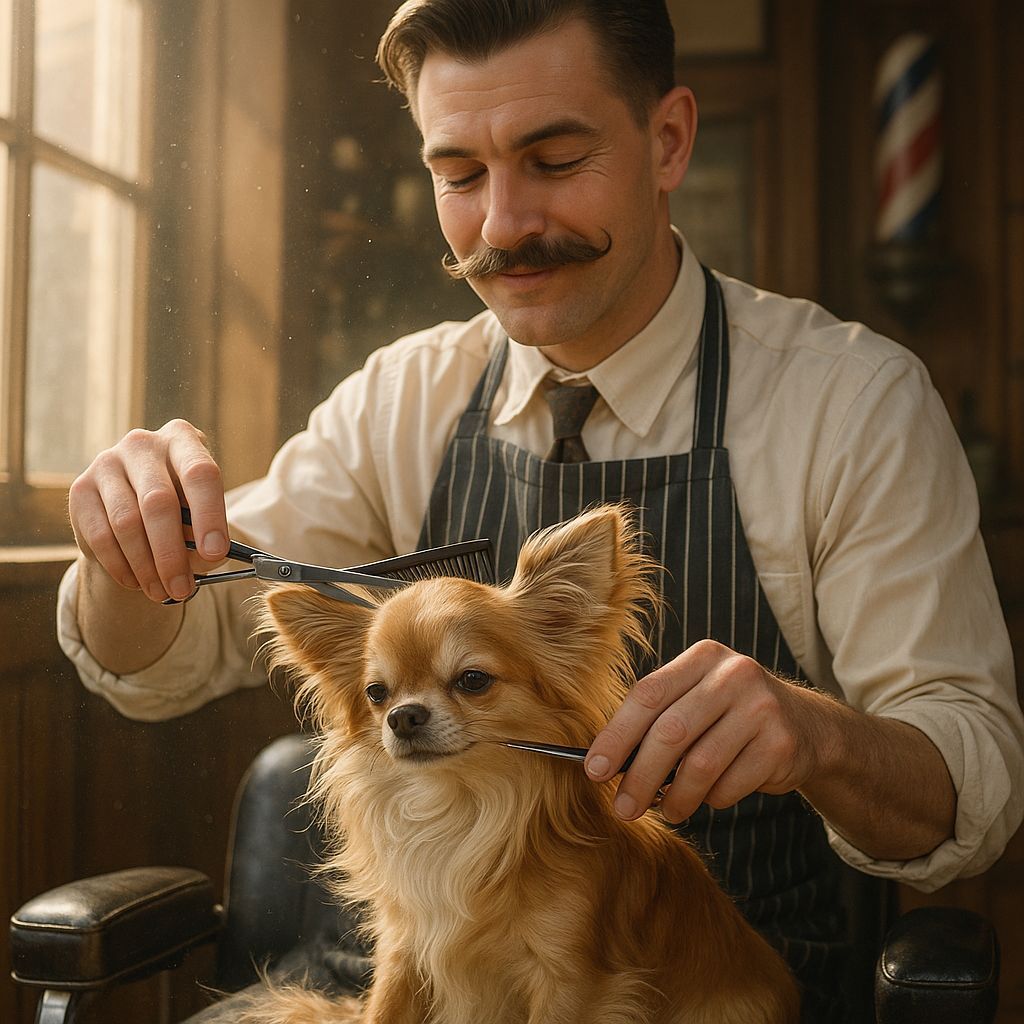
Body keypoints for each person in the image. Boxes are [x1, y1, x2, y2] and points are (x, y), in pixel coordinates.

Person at [60, 1, 1023, 1020]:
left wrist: (816, 734)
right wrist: (127, 551)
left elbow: (971, 784)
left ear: (667, 141)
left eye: (554, 159)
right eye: (459, 176)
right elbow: (163, 656)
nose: (504, 224)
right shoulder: (399, 399)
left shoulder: (850, 403)